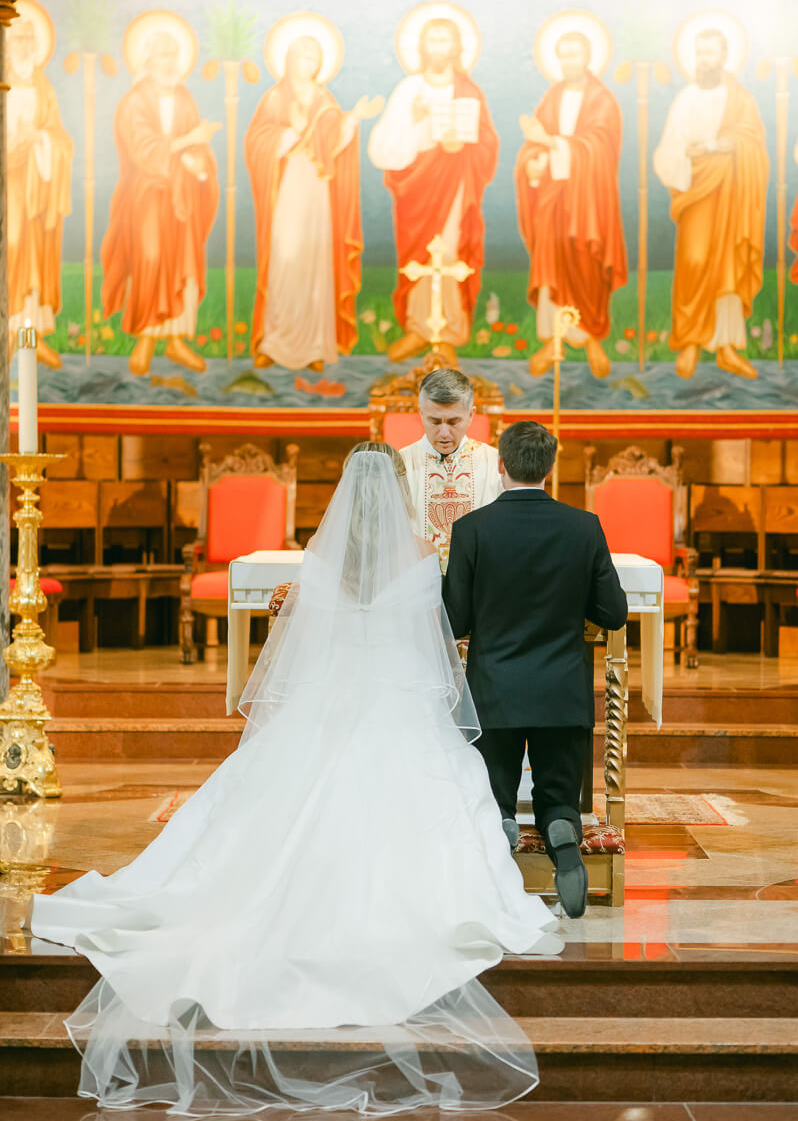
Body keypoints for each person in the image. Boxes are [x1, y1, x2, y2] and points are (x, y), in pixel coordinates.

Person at [29, 442, 558, 1114]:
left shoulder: (321, 554)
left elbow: (308, 644)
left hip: (326, 710)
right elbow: (436, 652)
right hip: (397, 712)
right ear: (398, 490)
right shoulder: (422, 557)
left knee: (250, 821)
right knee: (452, 801)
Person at [443, 420, 628, 919]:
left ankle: (502, 825)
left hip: (495, 693)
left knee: (495, 791)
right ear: (551, 467)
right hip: (562, 694)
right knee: (557, 792)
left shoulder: (471, 529)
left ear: (500, 464)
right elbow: (614, 613)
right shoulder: (583, 526)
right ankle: (562, 828)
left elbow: (454, 618)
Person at [245, 31, 382, 372]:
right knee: (285, 258)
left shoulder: (324, 99)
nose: (307, 62)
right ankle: (274, 342)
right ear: (288, 59)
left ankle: (313, 347)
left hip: (316, 189)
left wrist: (353, 118)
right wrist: (288, 134)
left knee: (314, 261)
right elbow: (256, 142)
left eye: (313, 57)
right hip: (286, 186)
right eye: (302, 55)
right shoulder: (275, 98)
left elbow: (335, 141)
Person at [368, 16, 499, 363]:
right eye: (433, 40)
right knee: (419, 257)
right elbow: (382, 147)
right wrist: (413, 119)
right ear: (422, 47)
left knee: (449, 253)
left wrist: (463, 147)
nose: (439, 47)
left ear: (457, 47)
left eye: (445, 40)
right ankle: (417, 328)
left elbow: (488, 142)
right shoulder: (410, 89)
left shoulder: (469, 92)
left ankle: (448, 333)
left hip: (455, 184)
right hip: (417, 189)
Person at [101, 29, 220, 378]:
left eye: (174, 55)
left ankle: (177, 341)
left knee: (185, 261)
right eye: (163, 54)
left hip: (182, 195)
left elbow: (196, 144)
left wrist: (199, 163)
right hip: (147, 192)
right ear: (148, 61)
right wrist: (186, 143)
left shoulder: (184, 98)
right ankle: (146, 339)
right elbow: (142, 149)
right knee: (150, 257)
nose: (170, 62)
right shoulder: (134, 100)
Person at [653, 27, 768, 380]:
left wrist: (720, 145)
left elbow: (753, 141)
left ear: (724, 55)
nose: (706, 59)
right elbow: (669, 147)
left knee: (729, 267)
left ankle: (727, 346)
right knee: (695, 260)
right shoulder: (685, 98)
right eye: (700, 53)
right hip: (697, 191)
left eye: (712, 52)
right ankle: (690, 341)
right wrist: (685, 152)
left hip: (733, 190)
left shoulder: (741, 98)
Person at [514, 30, 627, 380]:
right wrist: (531, 165)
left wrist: (550, 143)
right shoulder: (552, 98)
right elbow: (533, 147)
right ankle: (553, 339)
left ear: (588, 57)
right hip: (552, 197)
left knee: (585, 265)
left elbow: (599, 148)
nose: (568, 62)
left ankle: (590, 336)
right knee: (549, 263)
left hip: (589, 202)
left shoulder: (602, 100)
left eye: (574, 55)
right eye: (563, 56)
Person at [7, 13, 73, 370]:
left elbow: (60, 137)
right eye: (19, 39)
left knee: (36, 260)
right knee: (13, 246)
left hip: (38, 183)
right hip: (9, 183)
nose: (25, 45)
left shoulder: (42, 84)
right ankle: (7, 337)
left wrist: (41, 140)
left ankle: (29, 342)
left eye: (30, 39)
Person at [400, 368, 502, 571]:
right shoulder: (401, 463)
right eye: (435, 421)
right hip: (417, 579)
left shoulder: (494, 462)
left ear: (471, 414)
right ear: (420, 413)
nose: (444, 433)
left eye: (454, 421)